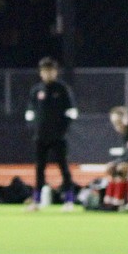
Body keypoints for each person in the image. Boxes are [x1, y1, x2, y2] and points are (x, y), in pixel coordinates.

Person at [24, 56, 79, 210]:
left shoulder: (62, 89)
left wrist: (62, 130)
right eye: (45, 71)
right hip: (40, 137)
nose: (48, 74)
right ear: (41, 73)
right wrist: (35, 128)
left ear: (55, 72)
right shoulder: (36, 90)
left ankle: (69, 200)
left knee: (64, 168)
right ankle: (36, 201)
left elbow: (72, 112)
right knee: (39, 169)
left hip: (58, 137)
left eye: (51, 71)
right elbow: (30, 113)